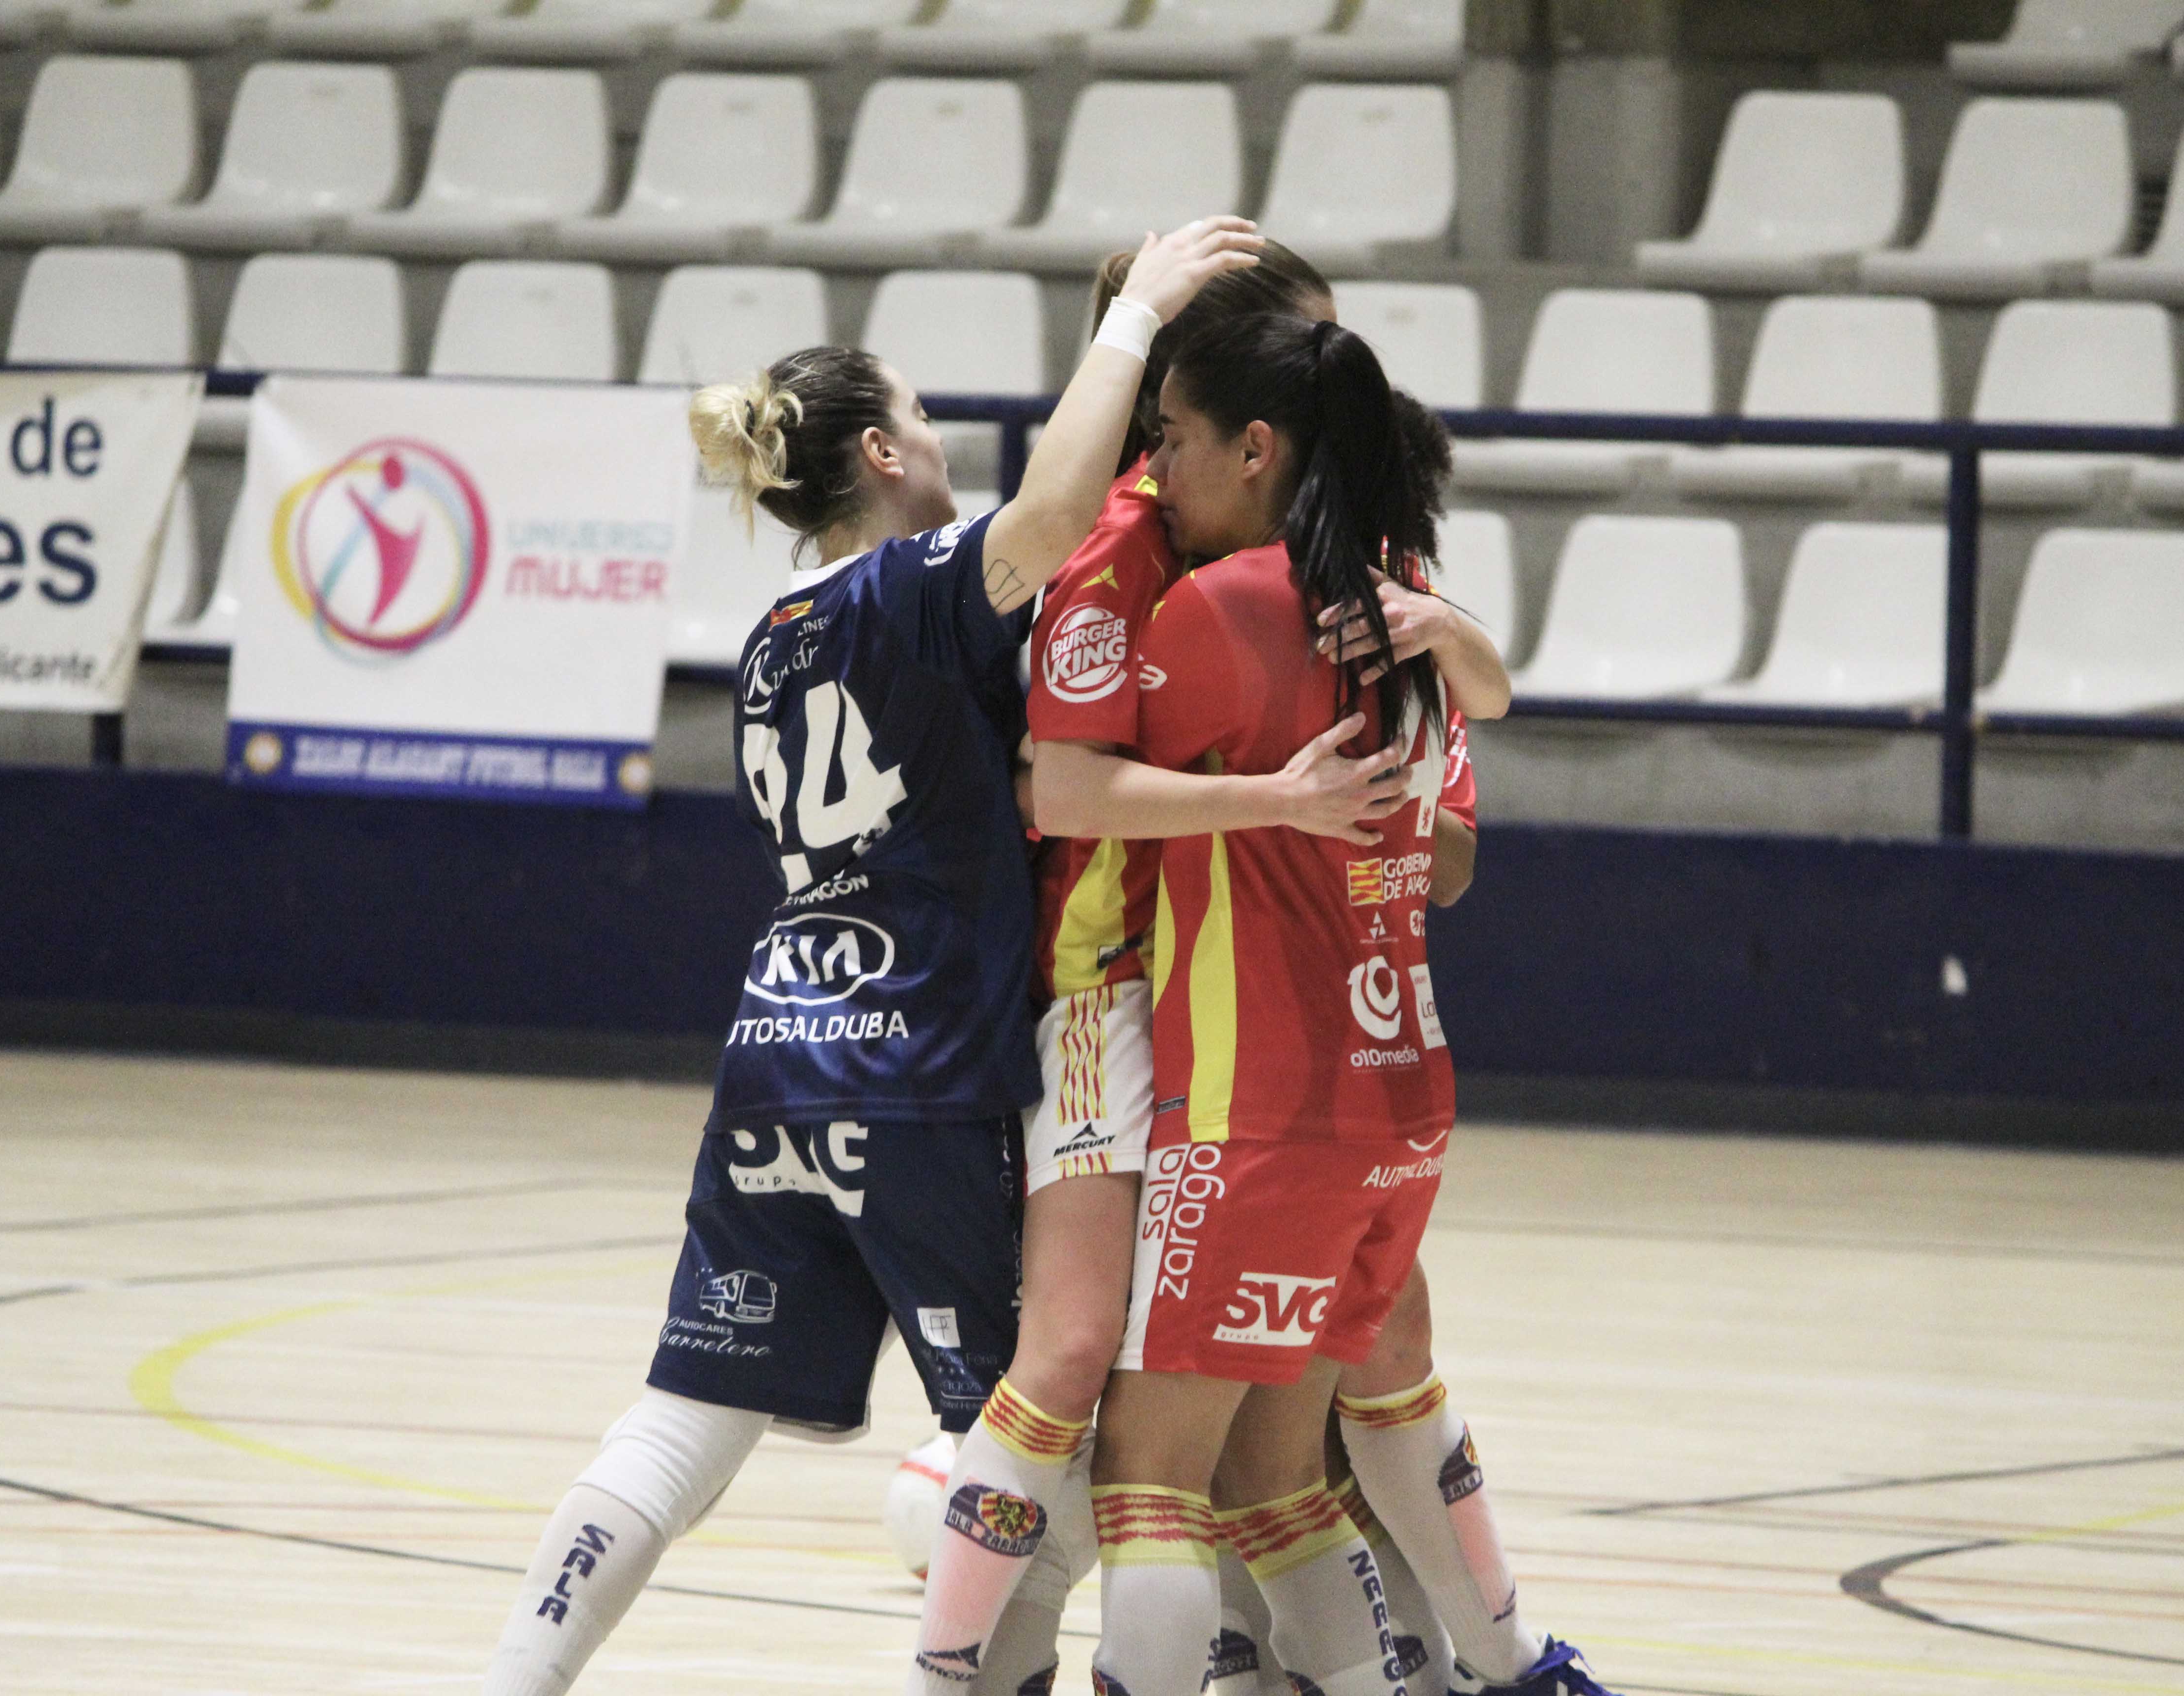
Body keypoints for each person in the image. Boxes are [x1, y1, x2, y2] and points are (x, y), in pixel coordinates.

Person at [473, 213, 1268, 1696]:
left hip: (775, 1059)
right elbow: (1049, 516)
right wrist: (1139, 317)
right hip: (921, 1071)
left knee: (675, 1431)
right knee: (1039, 1443)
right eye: (917, 413)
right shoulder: (907, 592)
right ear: (886, 461)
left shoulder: (771, 636)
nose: (939, 434)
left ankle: (509, 1681)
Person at [1072, 313, 1537, 1696]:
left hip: (1256, 1104)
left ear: (1256, 448)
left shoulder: (1219, 612)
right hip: (1395, 1106)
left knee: (1150, 1478)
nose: (1155, 470)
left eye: (1173, 441)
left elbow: (1073, 792)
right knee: (1280, 1484)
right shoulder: (1405, 616)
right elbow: (1458, 816)